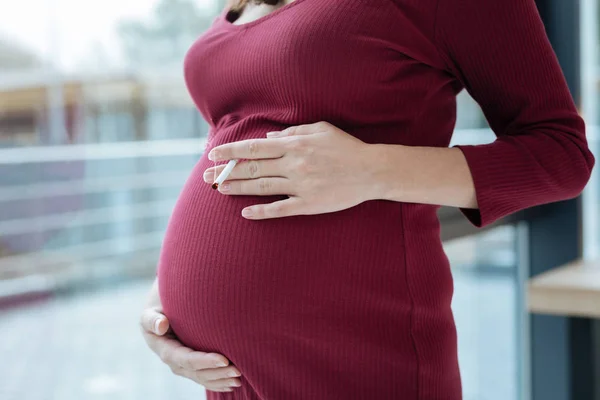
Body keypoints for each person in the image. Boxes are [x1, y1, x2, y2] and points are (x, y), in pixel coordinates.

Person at [139, 0, 595, 398]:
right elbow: (238, 138)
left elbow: (562, 155)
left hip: (358, 360)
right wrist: (169, 299)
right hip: (229, 380)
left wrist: (369, 170)